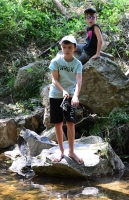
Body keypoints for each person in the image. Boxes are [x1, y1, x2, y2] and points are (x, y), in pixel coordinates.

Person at [48, 35, 83, 164]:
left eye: (69, 47)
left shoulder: (77, 63)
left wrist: (75, 96)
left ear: (74, 48)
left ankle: (71, 151)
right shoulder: (56, 61)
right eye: (64, 47)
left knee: (70, 122)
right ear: (61, 48)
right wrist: (63, 91)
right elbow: (54, 79)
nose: (66, 50)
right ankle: (61, 150)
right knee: (58, 123)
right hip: (56, 95)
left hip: (70, 96)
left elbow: (79, 81)